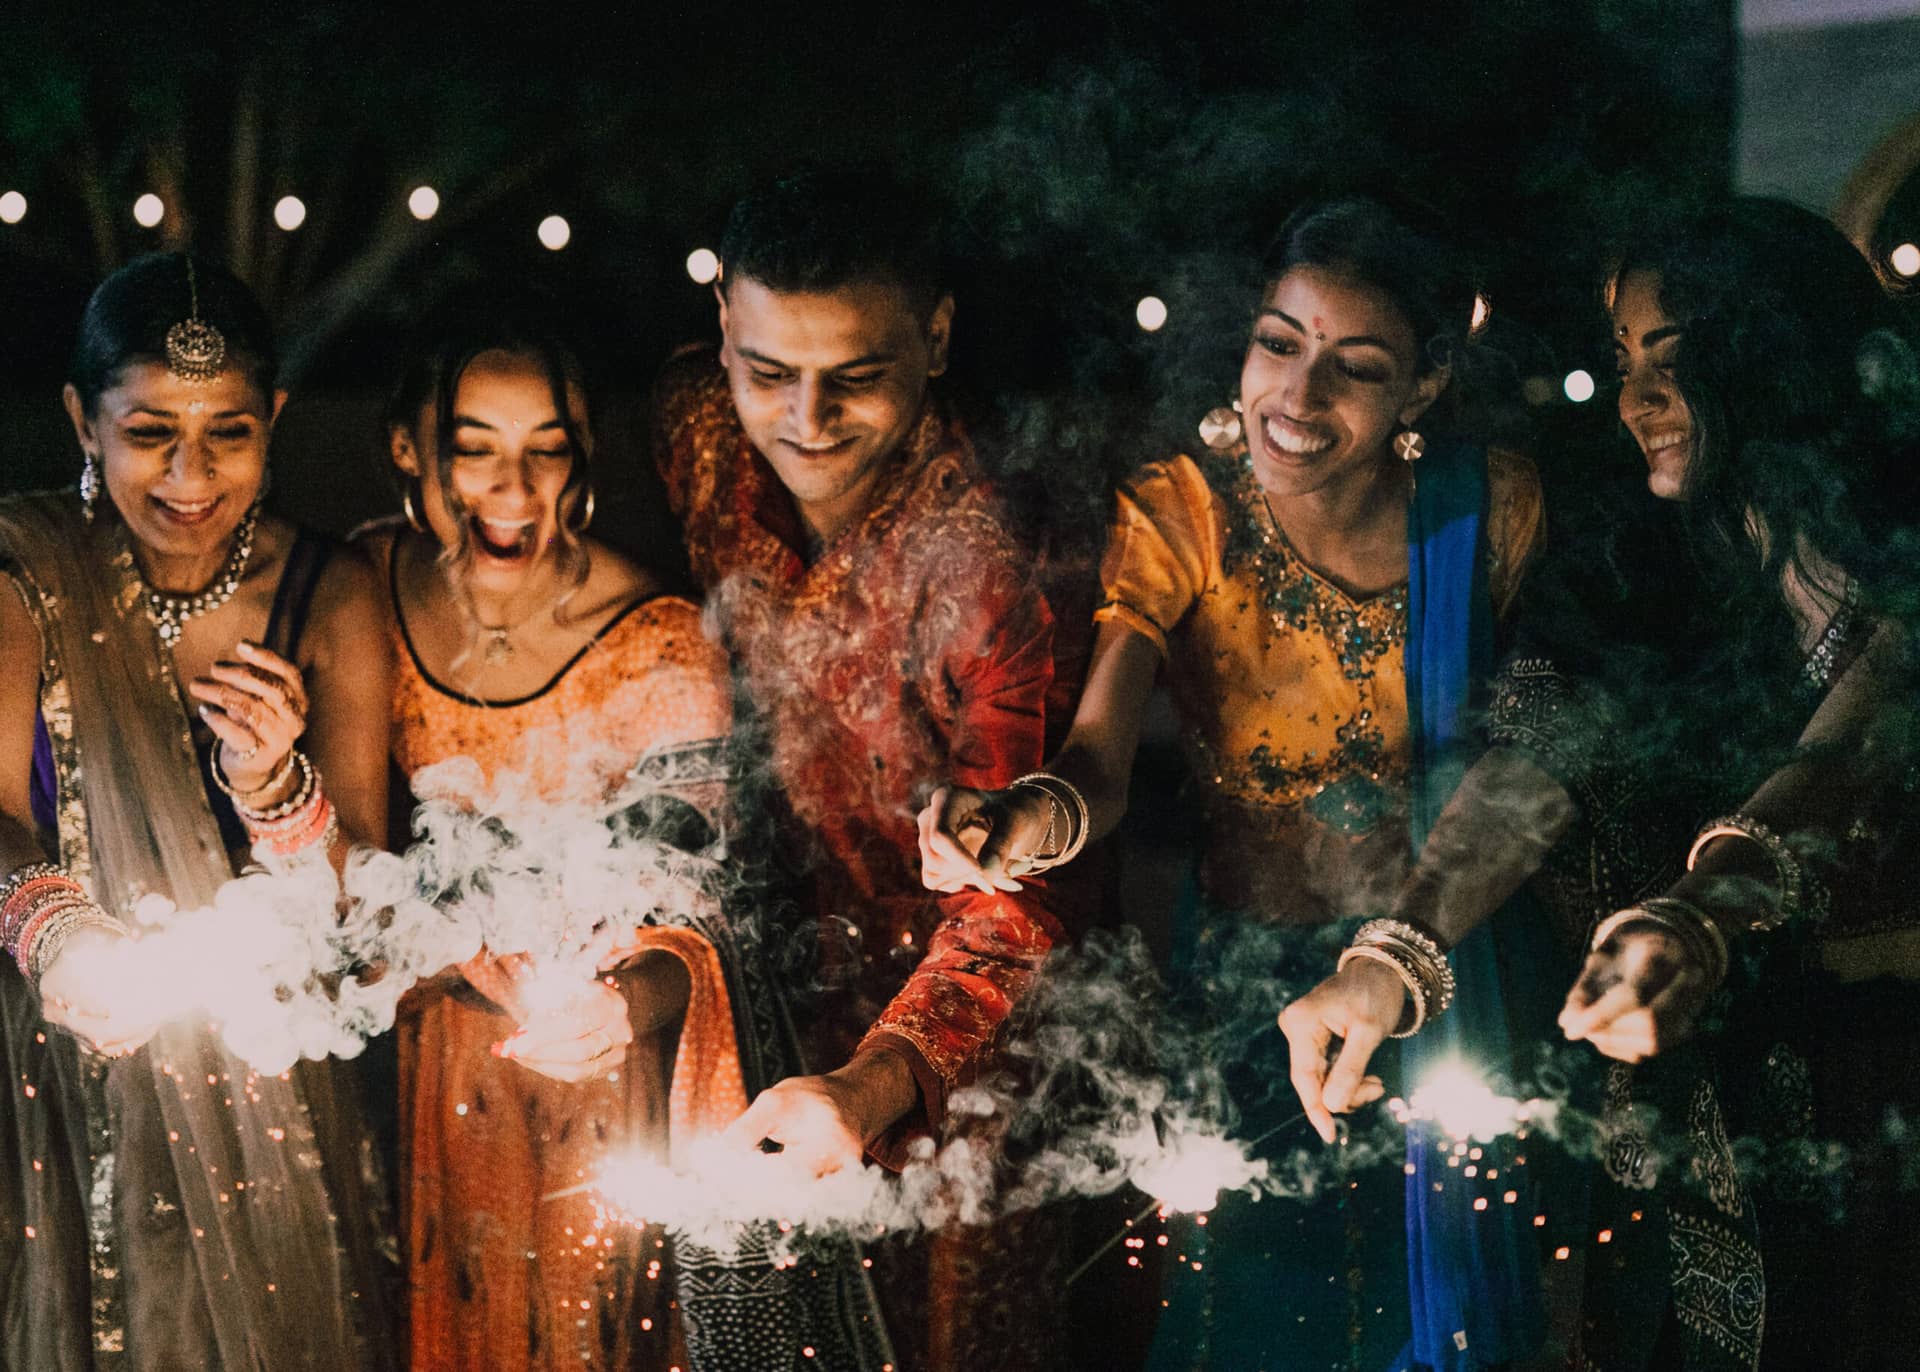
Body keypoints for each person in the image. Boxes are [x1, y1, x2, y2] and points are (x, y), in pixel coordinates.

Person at [1276, 198, 1920, 1369]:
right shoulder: (1645, 555)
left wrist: (1706, 905)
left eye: (1674, 364)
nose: (1634, 402)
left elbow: (1864, 731)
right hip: (1694, 1122)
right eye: (1624, 362)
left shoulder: (1903, 539)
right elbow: (1543, 750)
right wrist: (1393, 955)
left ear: (1778, 354)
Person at [918, 196, 1547, 1369]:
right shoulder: (1183, 511)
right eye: (1278, 342)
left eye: (1356, 367)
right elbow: (1099, 762)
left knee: (1448, 1312)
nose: (1298, 400)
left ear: (1425, 384)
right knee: (1261, 1318)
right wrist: (1025, 819)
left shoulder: (1489, 512)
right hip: (1249, 992)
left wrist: (1405, 953)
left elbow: (1531, 759)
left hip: (1452, 964)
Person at [361, 301, 883, 1370]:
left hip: (599, 1078)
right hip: (418, 1066)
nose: (515, 489)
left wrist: (612, 1010)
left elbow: (693, 922)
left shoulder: (654, 643)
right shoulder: (360, 588)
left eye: (548, 450)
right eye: (476, 450)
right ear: (410, 448)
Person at [653, 167, 1080, 1370]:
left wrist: (880, 1082)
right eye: (767, 370)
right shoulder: (690, 421)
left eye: (857, 375)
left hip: (962, 1049)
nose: (806, 418)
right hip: (756, 998)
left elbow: (1020, 905)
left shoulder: (991, 567)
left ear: (936, 337)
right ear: (722, 324)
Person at [0, 252, 395, 1369]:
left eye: (227, 429)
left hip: (266, 1103)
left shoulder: (331, 593)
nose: (189, 472)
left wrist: (277, 788)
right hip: (52, 1082)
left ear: (274, 419)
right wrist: (59, 934)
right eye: (146, 432)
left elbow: (365, 907)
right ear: (82, 420)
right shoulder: (24, 574)